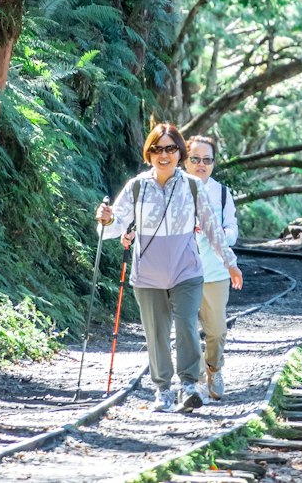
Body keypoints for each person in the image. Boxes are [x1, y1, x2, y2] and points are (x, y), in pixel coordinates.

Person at [96, 123, 243, 413]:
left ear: (180, 152)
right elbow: (112, 229)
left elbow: (213, 229)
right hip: (147, 275)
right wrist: (106, 219)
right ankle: (163, 389)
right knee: (156, 332)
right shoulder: (138, 186)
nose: (164, 155)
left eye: (171, 148)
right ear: (149, 153)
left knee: (187, 326)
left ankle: (189, 386)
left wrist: (231, 264)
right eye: (157, 149)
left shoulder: (191, 185)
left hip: (187, 271)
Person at [185, 134, 238, 400]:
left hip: (215, 272)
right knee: (186, 330)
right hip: (180, 271)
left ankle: (214, 370)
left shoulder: (223, 194)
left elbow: (232, 229)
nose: (201, 164)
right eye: (195, 159)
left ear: (214, 163)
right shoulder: (175, 189)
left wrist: (215, 233)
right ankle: (190, 381)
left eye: (207, 160)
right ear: (185, 160)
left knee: (216, 331)